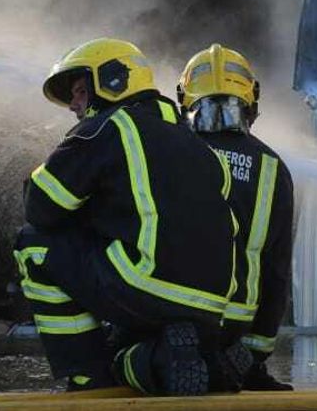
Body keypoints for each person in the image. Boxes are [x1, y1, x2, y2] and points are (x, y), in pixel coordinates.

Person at [14, 37, 238, 395]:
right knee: (124, 350)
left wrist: (53, 163)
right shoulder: (200, 147)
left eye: (79, 91)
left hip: (144, 283)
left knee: (32, 245)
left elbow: (41, 208)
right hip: (211, 307)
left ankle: (87, 376)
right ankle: (175, 361)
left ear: (112, 81)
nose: (73, 105)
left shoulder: (106, 127)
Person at [177, 44, 296, 392]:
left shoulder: (168, 154)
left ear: (184, 98)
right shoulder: (273, 169)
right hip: (234, 330)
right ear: (252, 102)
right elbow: (277, 272)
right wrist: (254, 359)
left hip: (172, 320)